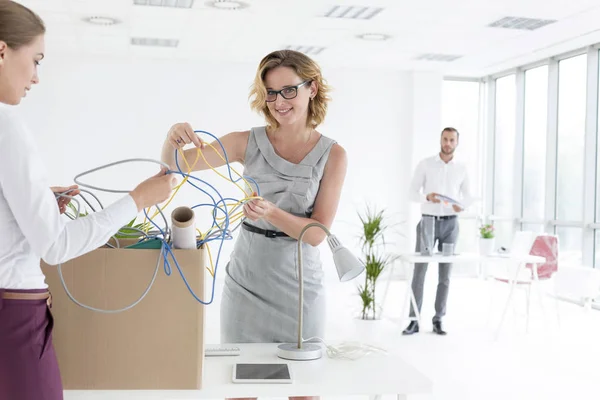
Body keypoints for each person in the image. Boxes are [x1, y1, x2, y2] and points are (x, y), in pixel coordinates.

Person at [0, 2, 177, 399]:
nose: (36, 78)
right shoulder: (7, 126)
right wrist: (138, 199)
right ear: (1, 51)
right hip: (14, 315)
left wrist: (35, 205)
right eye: (36, 60)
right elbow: (57, 245)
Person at [161, 49, 347, 400]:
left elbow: (318, 233)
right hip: (247, 283)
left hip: (300, 288)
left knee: (306, 389)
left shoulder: (333, 154)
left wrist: (273, 213)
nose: (279, 102)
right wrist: (171, 137)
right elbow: (176, 166)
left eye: (288, 90)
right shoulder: (245, 142)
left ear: (313, 88)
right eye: (271, 93)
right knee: (241, 387)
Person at [403, 127, 472, 336]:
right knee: (419, 272)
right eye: (445, 139)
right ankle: (413, 320)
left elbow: (467, 196)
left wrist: (463, 206)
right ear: (440, 140)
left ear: (457, 143)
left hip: (451, 223)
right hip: (428, 222)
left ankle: (438, 319)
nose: (448, 143)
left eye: (452, 140)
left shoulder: (462, 168)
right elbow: (412, 192)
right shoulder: (425, 164)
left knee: (445, 275)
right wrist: (427, 197)